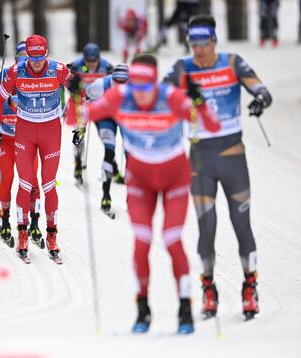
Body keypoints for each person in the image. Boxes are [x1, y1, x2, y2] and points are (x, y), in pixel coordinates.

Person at [82, 53, 220, 334]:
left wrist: (199, 100)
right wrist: (74, 96)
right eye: (136, 89)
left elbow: (212, 125)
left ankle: (184, 310)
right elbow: (76, 117)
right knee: (142, 242)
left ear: (155, 85)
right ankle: (143, 310)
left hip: (175, 179)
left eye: (146, 89)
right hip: (140, 180)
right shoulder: (120, 95)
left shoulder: (170, 97)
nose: (141, 96)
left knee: (171, 239)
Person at [163, 14, 273, 320]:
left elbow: (262, 90)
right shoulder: (182, 69)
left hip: (232, 155)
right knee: (206, 227)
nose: (199, 50)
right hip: (200, 159)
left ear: (214, 42)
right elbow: (159, 97)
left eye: (204, 44)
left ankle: (250, 287)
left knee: (241, 226)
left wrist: (260, 100)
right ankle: (208, 289)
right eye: (193, 44)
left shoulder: (232, 62)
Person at [0, 34, 72, 264]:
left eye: (40, 58)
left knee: (48, 183)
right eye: (32, 58)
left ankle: (52, 236)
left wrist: (80, 125)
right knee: (25, 182)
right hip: (25, 131)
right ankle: (23, 235)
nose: (36, 63)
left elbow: (79, 93)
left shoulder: (58, 70)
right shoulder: (16, 71)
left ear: (46, 55)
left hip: (50, 131)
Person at [0, 41, 42, 247]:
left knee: (31, 180)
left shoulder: (39, 77)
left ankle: (34, 223)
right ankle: (4, 221)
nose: (24, 61)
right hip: (7, 140)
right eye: (20, 57)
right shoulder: (6, 76)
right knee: (8, 177)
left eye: (27, 57)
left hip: (28, 139)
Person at [65, 42, 113, 186]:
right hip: (81, 104)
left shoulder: (107, 67)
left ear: (99, 58)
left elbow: (113, 83)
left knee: (106, 134)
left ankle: (113, 165)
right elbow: (67, 82)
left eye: (94, 61)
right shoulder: (76, 66)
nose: (91, 64)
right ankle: (78, 162)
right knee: (79, 134)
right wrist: (73, 86)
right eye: (88, 61)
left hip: (99, 105)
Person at [84, 64, 128, 215]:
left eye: (124, 82)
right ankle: (106, 194)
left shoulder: (137, 85)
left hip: (124, 117)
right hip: (107, 117)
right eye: (117, 81)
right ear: (112, 78)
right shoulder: (100, 85)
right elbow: (86, 97)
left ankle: (132, 195)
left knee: (131, 154)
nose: (120, 86)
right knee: (109, 150)